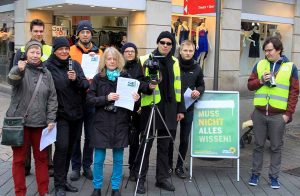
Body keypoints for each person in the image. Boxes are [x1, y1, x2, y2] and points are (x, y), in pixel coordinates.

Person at [134, 31, 185, 194]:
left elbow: (179, 86)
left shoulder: (175, 61)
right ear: (157, 43)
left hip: (169, 108)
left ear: (172, 46)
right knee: (146, 145)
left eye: (169, 43)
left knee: (165, 145)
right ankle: (140, 179)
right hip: (151, 107)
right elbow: (137, 83)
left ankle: (161, 179)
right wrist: (148, 87)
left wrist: (180, 109)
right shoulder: (144, 59)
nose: (165, 45)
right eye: (162, 42)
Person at [87, 47, 140, 196]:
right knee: (98, 159)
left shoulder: (126, 77)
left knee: (118, 159)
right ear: (104, 61)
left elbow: (133, 106)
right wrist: (106, 98)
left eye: (114, 59)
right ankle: (97, 187)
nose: (111, 61)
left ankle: (115, 188)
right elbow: (89, 100)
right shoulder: (98, 78)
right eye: (109, 59)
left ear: (119, 61)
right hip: (101, 123)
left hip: (120, 122)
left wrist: (136, 100)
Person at [7, 40, 57, 196]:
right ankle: (19, 192)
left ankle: (43, 191)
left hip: (40, 123)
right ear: (26, 54)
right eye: (32, 52)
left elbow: (52, 98)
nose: (35, 55)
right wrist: (18, 70)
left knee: (41, 159)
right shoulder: (19, 69)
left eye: (38, 52)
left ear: (41, 55)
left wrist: (50, 119)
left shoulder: (46, 73)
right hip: (20, 123)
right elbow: (12, 80)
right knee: (19, 160)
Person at [247, 36, 299, 189]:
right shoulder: (260, 64)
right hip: (260, 113)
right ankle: (255, 174)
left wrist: (287, 114)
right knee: (258, 145)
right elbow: (250, 85)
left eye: (269, 50)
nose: (267, 53)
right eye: (265, 50)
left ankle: (274, 177)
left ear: (278, 50)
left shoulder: (290, 67)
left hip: (278, 115)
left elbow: (294, 92)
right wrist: (261, 81)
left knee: (276, 147)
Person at [45, 37, 89, 196]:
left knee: (70, 148)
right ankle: (58, 185)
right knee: (62, 148)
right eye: (60, 49)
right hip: (59, 115)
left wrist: (76, 79)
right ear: (54, 50)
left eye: (66, 49)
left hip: (76, 114)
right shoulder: (48, 67)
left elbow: (86, 85)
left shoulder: (75, 65)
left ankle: (64, 181)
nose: (64, 51)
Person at [12, 19, 53, 177]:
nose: (38, 33)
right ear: (31, 31)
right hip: (25, 100)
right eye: (35, 31)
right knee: (26, 137)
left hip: (44, 97)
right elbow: (14, 73)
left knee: (45, 135)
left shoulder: (49, 49)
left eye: (41, 31)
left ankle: (48, 165)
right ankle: (26, 166)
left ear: (44, 31)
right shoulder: (21, 50)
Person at [69, 20, 103, 181]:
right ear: (78, 34)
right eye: (82, 31)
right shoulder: (69, 51)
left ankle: (86, 166)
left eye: (87, 32)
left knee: (90, 135)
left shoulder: (99, 53)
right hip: (74, 99)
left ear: (91, 34)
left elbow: (103, 74)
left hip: (91, 99)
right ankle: (75, 167)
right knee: (75, 135)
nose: (85, 34)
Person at [168, 40, 205, 178]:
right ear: (180, 51)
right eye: (185, 50)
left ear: (193, 52)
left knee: (184, 139)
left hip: (188, 107)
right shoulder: (173, 64)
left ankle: (179, 166)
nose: (188, 53)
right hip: (173, 107)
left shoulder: (197, 68)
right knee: (170, 137)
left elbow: (201, 85)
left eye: (190, 51)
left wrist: (198, 91)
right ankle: (168, 166)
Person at [120, 42, 146, 180]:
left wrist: (139, 94)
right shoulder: (118, 66)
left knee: (135, 140)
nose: (130, 53)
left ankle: (133, 169)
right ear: (123, 53)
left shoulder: (139, 67)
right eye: (127, 51)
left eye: (132, 51)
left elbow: (143, 85)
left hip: (136, 109)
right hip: (120, 109)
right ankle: (117, 169)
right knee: (120, 139)